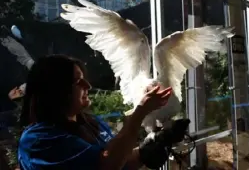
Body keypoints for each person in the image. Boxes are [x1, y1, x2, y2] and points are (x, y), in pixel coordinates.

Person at [18, 54, 189, 170]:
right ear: (56, 90)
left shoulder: (91, 123)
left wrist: (153, 146)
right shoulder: (40, 140)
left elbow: (120, 160)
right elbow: (107, 164)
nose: (88, 86)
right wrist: (140, 111)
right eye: (78, 81)